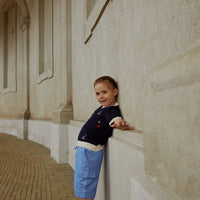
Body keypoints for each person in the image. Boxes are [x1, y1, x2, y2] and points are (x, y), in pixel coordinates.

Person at [74, 76, 133, 200]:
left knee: (86, 181)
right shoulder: (104, 108)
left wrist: (119, 122)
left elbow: (115, 118)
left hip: (89, 151)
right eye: (97, 93)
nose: (101, 96)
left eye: (104, 92)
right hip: (84, 149)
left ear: (115, 92)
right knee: (82, 179)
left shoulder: (111, 109)